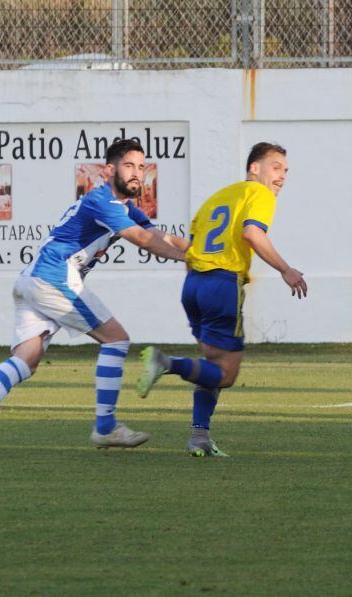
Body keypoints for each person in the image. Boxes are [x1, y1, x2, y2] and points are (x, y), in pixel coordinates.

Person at [0, 139, 190, 455]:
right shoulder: (103, 202)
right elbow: (144, 240)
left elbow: (159, 235)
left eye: (141, 167)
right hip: (54, 277)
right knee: (116, 339)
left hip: (32, 278)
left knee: (27, 360)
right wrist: (195, 260)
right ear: (108, 170)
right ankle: (105, 428)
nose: (137, 173)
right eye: (129, 165)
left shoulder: (124, 208)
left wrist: (197, 249)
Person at [137, 142, 307, 457]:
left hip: (194, 286)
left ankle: (199, 436)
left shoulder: (215, 199)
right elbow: (253, 234)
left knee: (211, 366)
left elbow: (190, 249)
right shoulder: (259, 194)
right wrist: (286, 269)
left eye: (285, 171)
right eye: (276, 167)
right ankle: (165, 362)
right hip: (222, 285)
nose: (282, 177)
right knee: (226, 374)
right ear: (254, 168)